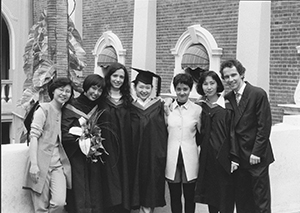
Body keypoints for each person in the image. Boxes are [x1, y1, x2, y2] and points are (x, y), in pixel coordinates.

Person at [219, 59, 275, 213]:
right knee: (243, 201)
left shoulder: (257, 94)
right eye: (226, 77)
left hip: (256, 157)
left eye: (233, 75)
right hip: (239, 158)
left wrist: (256, 152)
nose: (230, 80)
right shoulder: (227, 98)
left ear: (242, 74)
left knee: (260, 201)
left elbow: (264, 126)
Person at [23, 77, 73, 213]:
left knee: (59, 203)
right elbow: (33, 137)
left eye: (68, 91)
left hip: (58, 166)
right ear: (53, 91)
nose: (64, 94)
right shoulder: (43, 109)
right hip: (40, 164)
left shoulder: (66, 113)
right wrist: (34, 164)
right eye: (61, 90)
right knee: (40, 207)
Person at [194, 71, 238, 213]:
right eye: (205, 84)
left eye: (212, 83)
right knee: (211, 197)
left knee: (225, 197)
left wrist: (233, 157)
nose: (209, 87)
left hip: (224, 158)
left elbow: (233, 133)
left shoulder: (227, 106)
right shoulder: (200, 107)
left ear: (217, 84)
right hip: (207, 159)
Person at [61, 74, 105, 213]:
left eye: (100, 90)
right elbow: (64, 133)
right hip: (76, 157)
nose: (96, 93)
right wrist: (82, 141)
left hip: (93, 157)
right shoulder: (71, 106)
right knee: (79, 191)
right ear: (86, 87)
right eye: (93, 88)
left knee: (95, 191)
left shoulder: (98, 107)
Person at [130, 68, 168, 213]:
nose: (144, 90)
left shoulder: (159, 106)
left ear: (152, 88)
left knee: (150, 183)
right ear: (134, 87)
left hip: (153, 153)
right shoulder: (130, 107)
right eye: (141, 87)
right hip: (135, 153)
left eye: (147, 87)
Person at [165, 73, 202, 213]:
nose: (182, 92)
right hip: (172, 158)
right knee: (175, 197)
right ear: (175, 89)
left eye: (185, 89)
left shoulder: (197, 110)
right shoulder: (167, 109)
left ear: (190, 89)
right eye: (179, 89)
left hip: (190, 159)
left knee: (190, 197)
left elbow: (200, 135)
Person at [101, 62, 132, 213]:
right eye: (115, 76)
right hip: (105, 148)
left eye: (121, 77)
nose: (118, 80)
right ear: (109, 76)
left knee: (123, 176)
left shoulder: (128, 101)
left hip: (125, 148)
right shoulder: (101, 97)